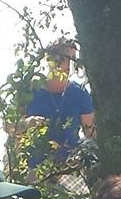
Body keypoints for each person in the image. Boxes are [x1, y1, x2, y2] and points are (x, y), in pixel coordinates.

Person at [20, 40, 95, 168]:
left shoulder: (80, 93)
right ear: (50, 60)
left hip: (68, 167)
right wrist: (28, 123)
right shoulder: (30, 90)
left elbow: (91, 133)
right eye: (64, 58)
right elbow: (9, 126)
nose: (70, 64)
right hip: (33, 166)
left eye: (73, 59)